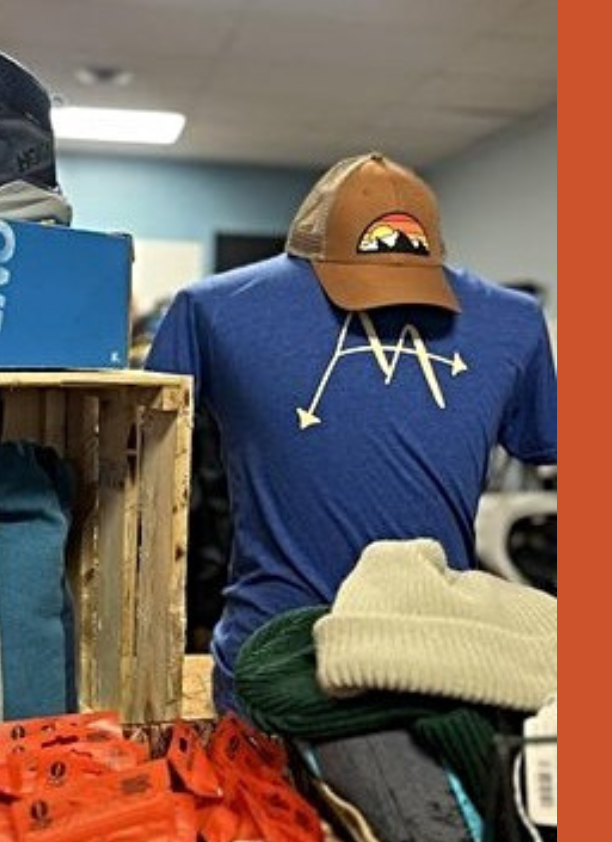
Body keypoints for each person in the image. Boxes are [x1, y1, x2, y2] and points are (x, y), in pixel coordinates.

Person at [144, 152, 557, 716]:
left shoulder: (515, 320)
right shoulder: (209, 309)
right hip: (275, 664)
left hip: (441, 664)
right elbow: (140, 472)